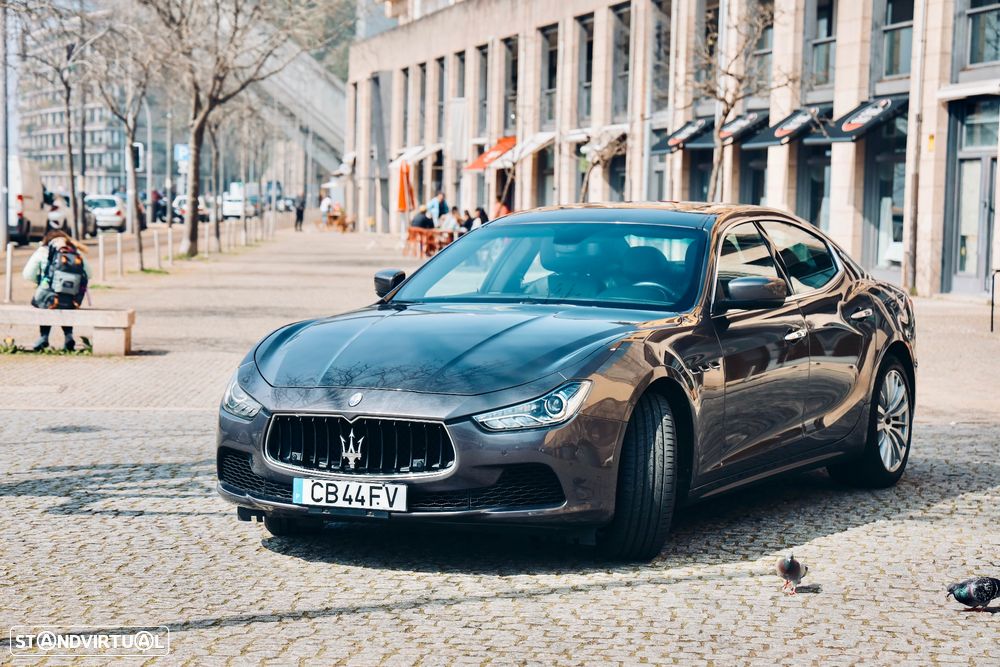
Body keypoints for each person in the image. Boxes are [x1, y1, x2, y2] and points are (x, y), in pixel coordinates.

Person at [22, 230, 92, 352]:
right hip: (72, 298)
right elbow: (89, 274)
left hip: (49, 295)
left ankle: (44, 337)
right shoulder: (75, 251)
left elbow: (27, 274)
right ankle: (68, 336)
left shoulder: (43, 251)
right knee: (66, 304)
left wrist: (41, 282)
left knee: (43, 303)